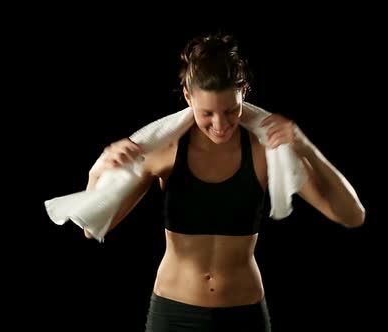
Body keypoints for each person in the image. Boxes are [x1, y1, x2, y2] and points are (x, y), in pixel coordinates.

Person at [84, 33, 366, 332]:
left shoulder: (264, 150)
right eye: (207, 113)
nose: (220, 125)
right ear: (188, 96)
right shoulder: (164, 149)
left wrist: (305, 145)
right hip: (173, 313)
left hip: (244, 314)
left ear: (244, 92)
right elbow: (92, 228)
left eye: (231, 110)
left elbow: (352, 215)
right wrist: (98, 169)